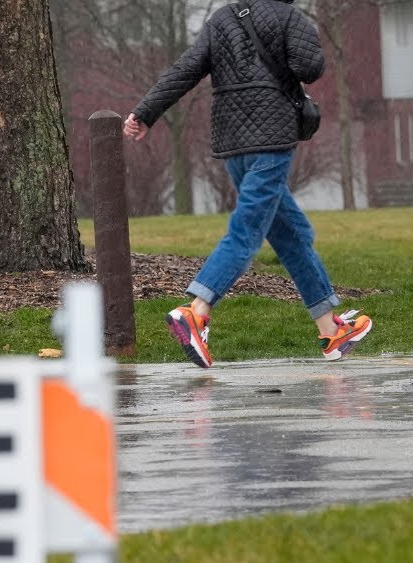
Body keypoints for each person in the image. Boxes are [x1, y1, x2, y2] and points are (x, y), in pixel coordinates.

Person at [124, 0, 372, 368]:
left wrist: (145, 112)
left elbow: (186, 69)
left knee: (292, 232)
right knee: (247, 231)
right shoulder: (289, 17)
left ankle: (330, 328)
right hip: (271, 140)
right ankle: (197, 310)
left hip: (234, 144)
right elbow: (310, 68)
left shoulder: (221, 19)